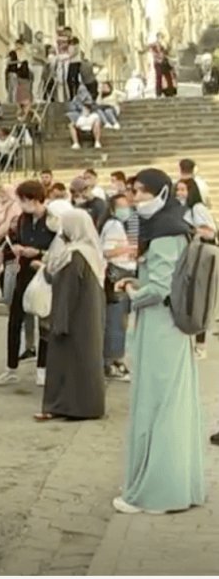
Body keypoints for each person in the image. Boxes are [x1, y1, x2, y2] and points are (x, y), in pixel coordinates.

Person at [112, 168, 205, 515]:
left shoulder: (166, 232)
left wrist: (132, 289)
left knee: (158, 404)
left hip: (161, 327)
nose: (135, 198)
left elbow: (163, 287)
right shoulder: (171, 225)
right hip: (167, 327)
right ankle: (170, 484)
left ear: (160, 193)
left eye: (140, 192)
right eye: (133, 191)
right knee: (170, 403)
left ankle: (156, 492)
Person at [35, 209, 107, 421]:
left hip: (72, 318)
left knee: (66, 364)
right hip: (88, 318)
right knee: (85, 362)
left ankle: (68, 407)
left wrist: (58, 321)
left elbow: (67, 290)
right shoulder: (92, 252)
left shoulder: (74, 255)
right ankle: (84, 406)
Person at [0, 181, 56, 387]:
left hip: (43, 273)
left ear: (34, 199)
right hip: (23, 273)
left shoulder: (53, 219)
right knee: (15, 319)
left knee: (44, 320)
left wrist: (39, 253)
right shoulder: (22, 219)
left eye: (23, 200)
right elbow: (14, 239)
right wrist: (18, 248)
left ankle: (43, 368)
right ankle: (11, 367)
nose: (20, 204)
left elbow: (61, 249)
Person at [177, 177, 217, 360]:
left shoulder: (197, 209)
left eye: (183, 190)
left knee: (201, 295)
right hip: (191, 255)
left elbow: (210, 232)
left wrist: (190, 230)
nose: (179, 193)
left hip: (202, 256)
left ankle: (201, 345)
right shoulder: (182, 209)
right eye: (178, 189)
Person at [101, 193, 136, 381]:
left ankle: (113, 359)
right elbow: (106, 251)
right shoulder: (113, 225)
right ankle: (113, 361)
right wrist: (129, 249)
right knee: (116, 321)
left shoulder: (122, 225)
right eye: (121, 206)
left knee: (119, 320)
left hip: (125, 272)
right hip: (117, 274)